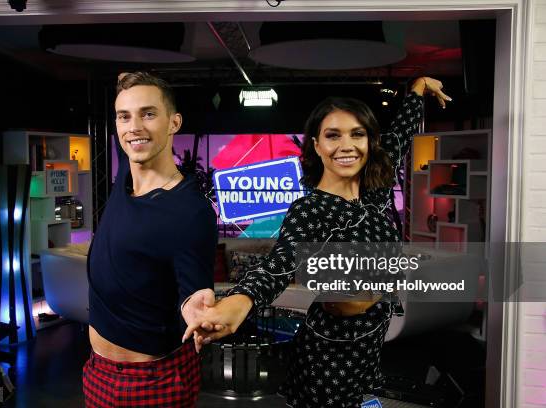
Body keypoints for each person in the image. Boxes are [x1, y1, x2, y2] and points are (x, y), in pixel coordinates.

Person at [182, 77, 451, 407]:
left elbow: (402, 130)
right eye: (333, 135)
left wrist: (420, 86)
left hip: (366, 352)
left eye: (357, 133)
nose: (347, 145)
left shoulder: (376, 191)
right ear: (317, 144)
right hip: (327, 362)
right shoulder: (311, 209)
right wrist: (239, 303)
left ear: (369, 141)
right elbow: (277, 268)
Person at [83, 71, 217, 408]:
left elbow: (194, 291)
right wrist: (127, 80)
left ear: (174, 123)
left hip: (151, 380)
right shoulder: (126, 174)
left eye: (148, 114)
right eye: (124, 116)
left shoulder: (190, 210)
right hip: (97, 371)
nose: (134, 127)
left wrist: (197, 308)